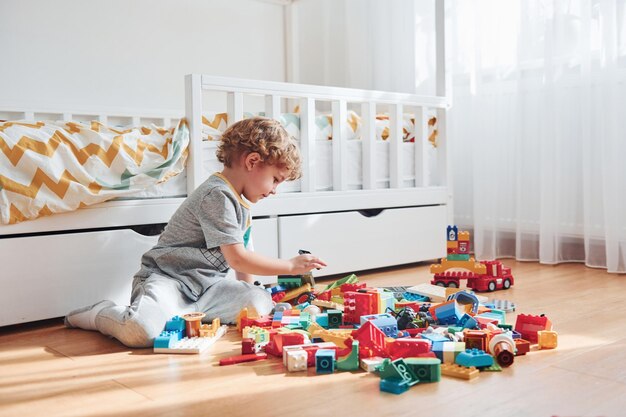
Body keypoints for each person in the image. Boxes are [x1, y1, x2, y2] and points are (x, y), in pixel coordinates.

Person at [65, 117, 326, 348]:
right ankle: (101, 313)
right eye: (276, 180)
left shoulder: (242, 201)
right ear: (252, 161)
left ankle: (187, 316)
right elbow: (237, 259)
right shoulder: (217, 195)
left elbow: (243, 252)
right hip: (171, 281)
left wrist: (251, 298)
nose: (274, 190)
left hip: (209, 287)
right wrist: (289, 265)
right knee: (140, 331)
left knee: (258, 302)